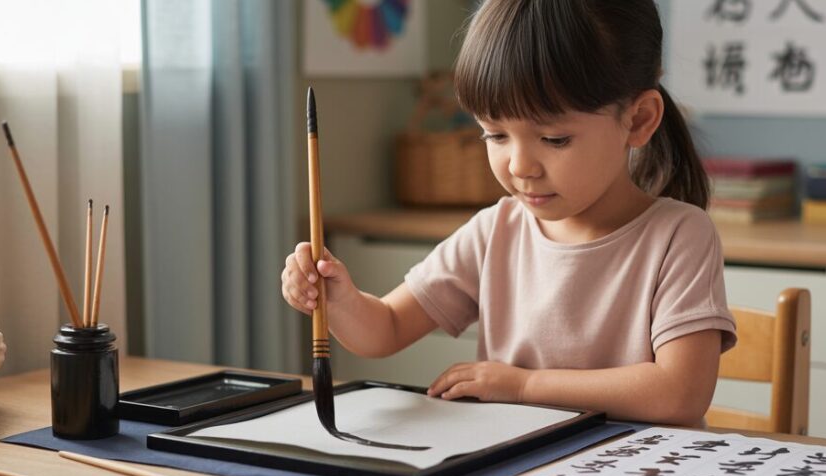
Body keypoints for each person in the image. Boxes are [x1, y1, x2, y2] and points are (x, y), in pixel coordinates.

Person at [281, 0, 736, 426]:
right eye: (495, 135)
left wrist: (525, 385)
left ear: (637, 121)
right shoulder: (494, 231)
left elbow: (680, 394)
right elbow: (386, 329)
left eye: (555, 139)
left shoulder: (679, 236)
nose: (520, 166)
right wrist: (338, 299)